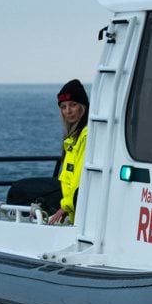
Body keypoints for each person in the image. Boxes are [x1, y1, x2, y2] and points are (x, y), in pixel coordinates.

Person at [50, 78, 89, 225]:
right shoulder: (72, 138)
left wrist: (66, 206)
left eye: (73, 105)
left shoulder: (85, 135)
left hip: (80, 211)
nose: (68, 111)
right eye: (63, 107)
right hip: (75, 211)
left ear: (83, 106)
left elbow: (79, 176)